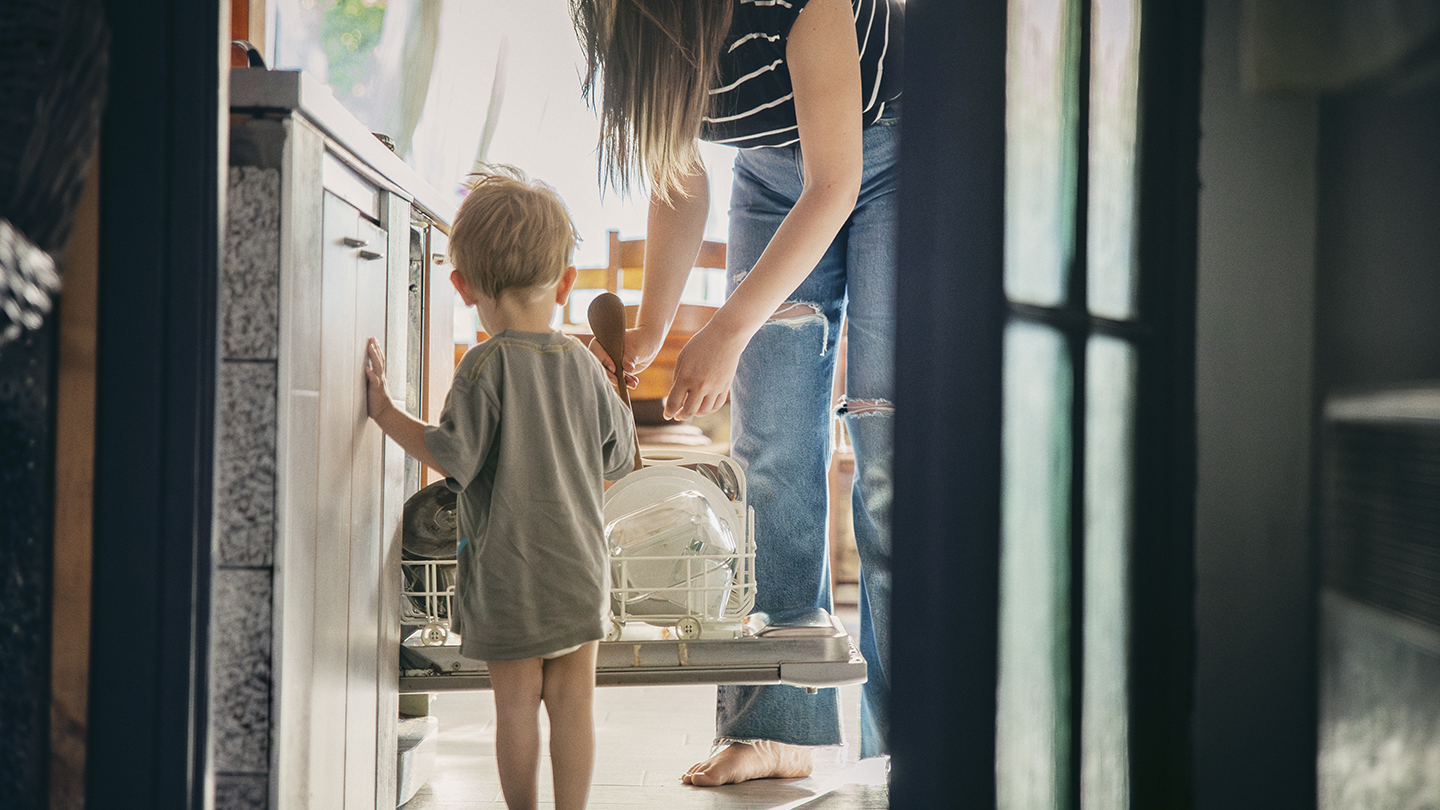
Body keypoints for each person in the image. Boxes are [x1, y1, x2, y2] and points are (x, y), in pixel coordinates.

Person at [572, 0, 903, 787]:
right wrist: (654, 331)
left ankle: (908, 735)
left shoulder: (794, 8)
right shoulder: (650, 38)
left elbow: (836, 183)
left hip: (895, 157)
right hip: (771, 168)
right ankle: (782, 727)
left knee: (891, 452)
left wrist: (726, 330)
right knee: (772, 454)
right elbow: (678, 183)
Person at [363, 166, 636, 810]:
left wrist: (384, 413)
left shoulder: (482, 366)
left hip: (509, 577)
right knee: (574, 707)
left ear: (460, 287)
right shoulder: (584, 364)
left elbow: (451, 455)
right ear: (567, 283)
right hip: (580, 569)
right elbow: (621, 457)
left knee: (515, 710)